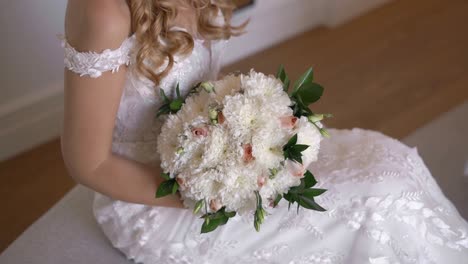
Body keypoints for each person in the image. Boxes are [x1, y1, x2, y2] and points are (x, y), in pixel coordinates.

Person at [61, 0, 468, 263]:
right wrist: (210, 195)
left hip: (222, 162)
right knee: (379, 200)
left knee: (390, 163)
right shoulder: (103, 12)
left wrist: (258, 131)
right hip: (155, 201)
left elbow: (199, 91)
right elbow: (88, 163)